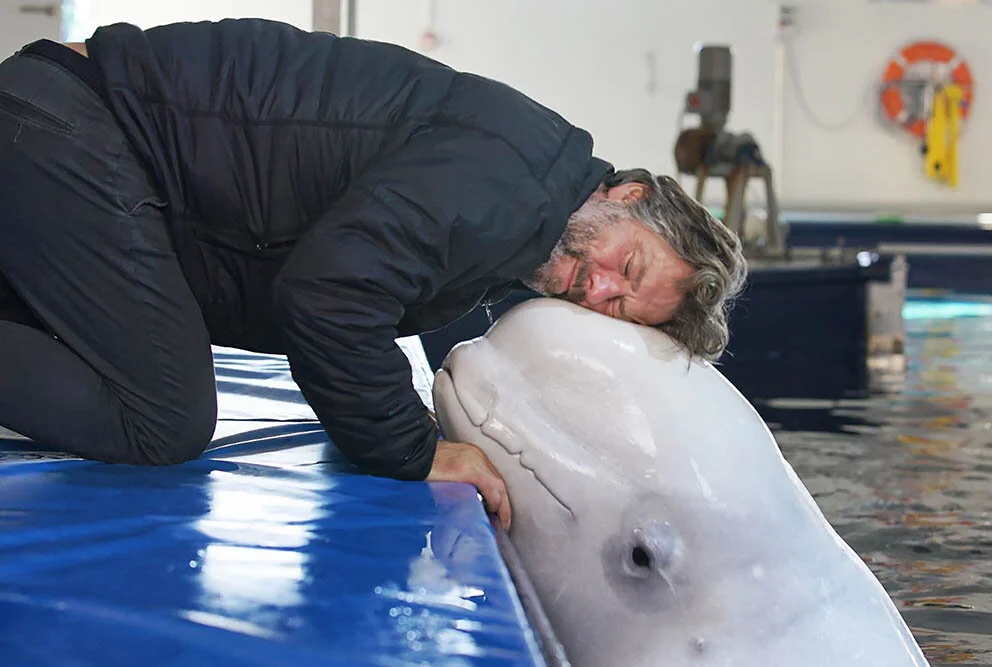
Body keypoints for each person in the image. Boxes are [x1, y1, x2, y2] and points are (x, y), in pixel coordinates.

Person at [0, 19, 747, 529]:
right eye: (629, 265)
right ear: (630, 195)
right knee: (164, 417)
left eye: (621, 306)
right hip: (70, 126)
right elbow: (327, 296)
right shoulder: (516, 183)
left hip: (75, 140)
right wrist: (414, 450)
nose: (601, 289)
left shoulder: (520, 209)